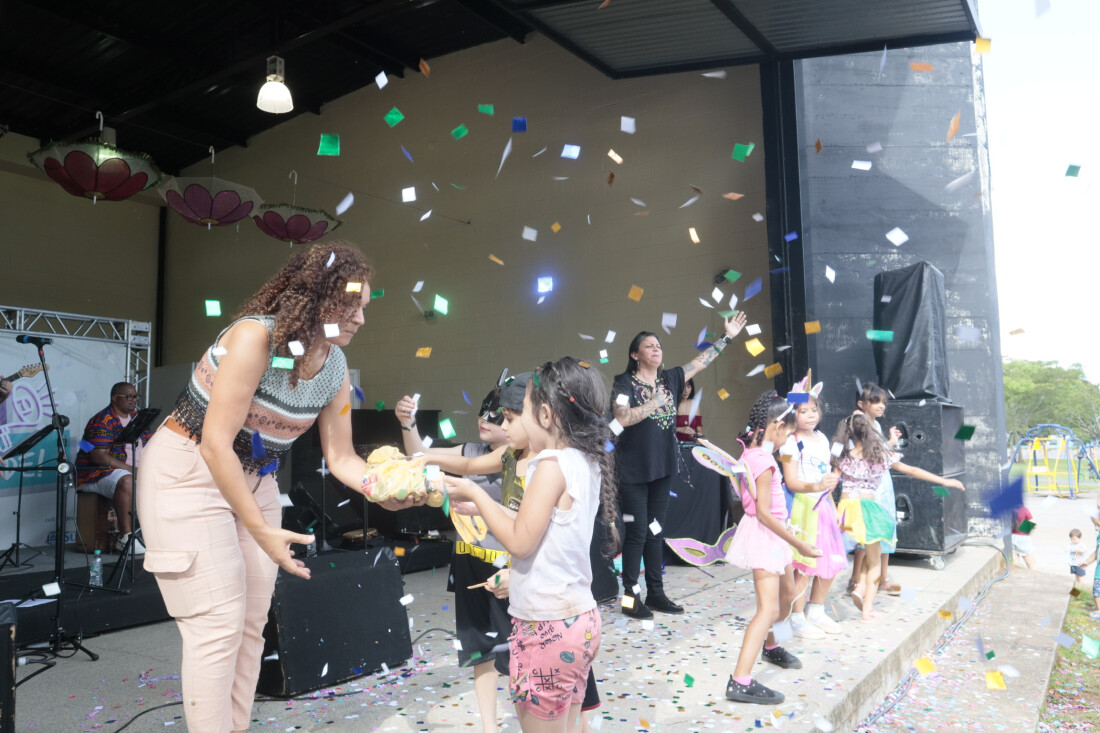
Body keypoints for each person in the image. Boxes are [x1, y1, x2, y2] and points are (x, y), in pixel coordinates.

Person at [136, 243, 420, 733]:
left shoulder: (334, 369)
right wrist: (260, 528)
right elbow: (215, 445)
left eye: (365, 309)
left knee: (250, 627)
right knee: (217, 625)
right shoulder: (252, 339)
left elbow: (343, 457)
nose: (361, 319)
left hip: (255, 477)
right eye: (353, 305)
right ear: (317, 297)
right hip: (189, 470)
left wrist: (383, 488)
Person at [445, 357, 616, 731]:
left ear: (545, 415)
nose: (511, 423)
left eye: (519, 411)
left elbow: (521, 542)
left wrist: (478, 492)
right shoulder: (583, 460)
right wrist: (483, 507)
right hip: (579, 620)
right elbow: (536, 528)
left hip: (546, 627)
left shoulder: (549, 465)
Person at [611, 313, 748, 619]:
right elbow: (621, 418)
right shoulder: (623, 383)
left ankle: (657, 593)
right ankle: (631, 598)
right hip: (632, 473)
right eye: (649, 346)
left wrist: (727, 337)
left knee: (656, 531)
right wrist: (652, 404)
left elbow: (701, 362)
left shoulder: (670, 378)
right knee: (636, 533)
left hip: (662, 469)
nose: (656, 349)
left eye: (658, 345)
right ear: (636, 355)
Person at [724, 392, 821, 705]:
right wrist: (799, 543)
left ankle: (773, 646)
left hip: (777, 535)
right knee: (768, 609)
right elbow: (763, 513)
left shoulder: (751, 452)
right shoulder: (763, 460)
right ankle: (740, 680)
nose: (789, 438)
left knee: (786, 595)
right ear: (776, 427)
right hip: (768, 536)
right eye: (788, 432)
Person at [833, 413, 964, 621]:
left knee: (853, 553)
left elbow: (831, 483)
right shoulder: (879, 455)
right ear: (871, 431)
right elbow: (910, 470)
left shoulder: (843, 456)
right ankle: (867, 609)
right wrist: (944, 481)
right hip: (867, 510)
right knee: (874, 560)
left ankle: (855, 587)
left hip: (846, 511)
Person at [781, 380, 844, 639]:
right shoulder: (788, 442)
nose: (810, 415)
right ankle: (796, 618)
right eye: (803, 410)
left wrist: (833, 504)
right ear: (792, 413)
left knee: (831, 559)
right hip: (802, 508)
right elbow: (792, 481)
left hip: (823, 506)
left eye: (814, 410)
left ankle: (816, 609)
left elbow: (826, 476)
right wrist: (818, 486)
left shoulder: (823, 438)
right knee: (803, 565)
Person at [75, 382, 152, 553]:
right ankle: (125, 538)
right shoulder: (102, 420)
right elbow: (98, 456)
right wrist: (133, 470)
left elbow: (151, 443)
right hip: (96, 473)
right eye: (129, 396)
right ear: (115, 398)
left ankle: (159, 537)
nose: (134, 400)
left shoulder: (137, 419)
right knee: (126, 480)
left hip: (133, 472)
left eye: (135, 396)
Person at [847, 383, 902, 597]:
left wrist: (891, 441)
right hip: (867, 484)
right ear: (862, 404)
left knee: (884, 528)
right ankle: (857, 579)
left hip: (882, 481)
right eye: (876, 402)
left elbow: (880, 453)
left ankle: (881, 578)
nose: (881, 406)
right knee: (868, 531)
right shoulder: (858, 424)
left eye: (883, 403)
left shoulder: (876, 425)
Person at [1081, 515, 1100, 620]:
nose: (1096, 528)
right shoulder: (1099, 536)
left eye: (1098, 525)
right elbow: (1097, 551)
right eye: (1095, 525)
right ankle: (1099, 610)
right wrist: (1087, 562)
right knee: (1097, 590)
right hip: (1099, 570)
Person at [1012, 505, 1036, 569]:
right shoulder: (1023, 509)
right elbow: (1033, 524)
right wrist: (1022, 531)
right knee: (1031, 565)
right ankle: (1033, 575)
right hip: (1023, 538)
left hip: (1009, 538)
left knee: (1015, 564)